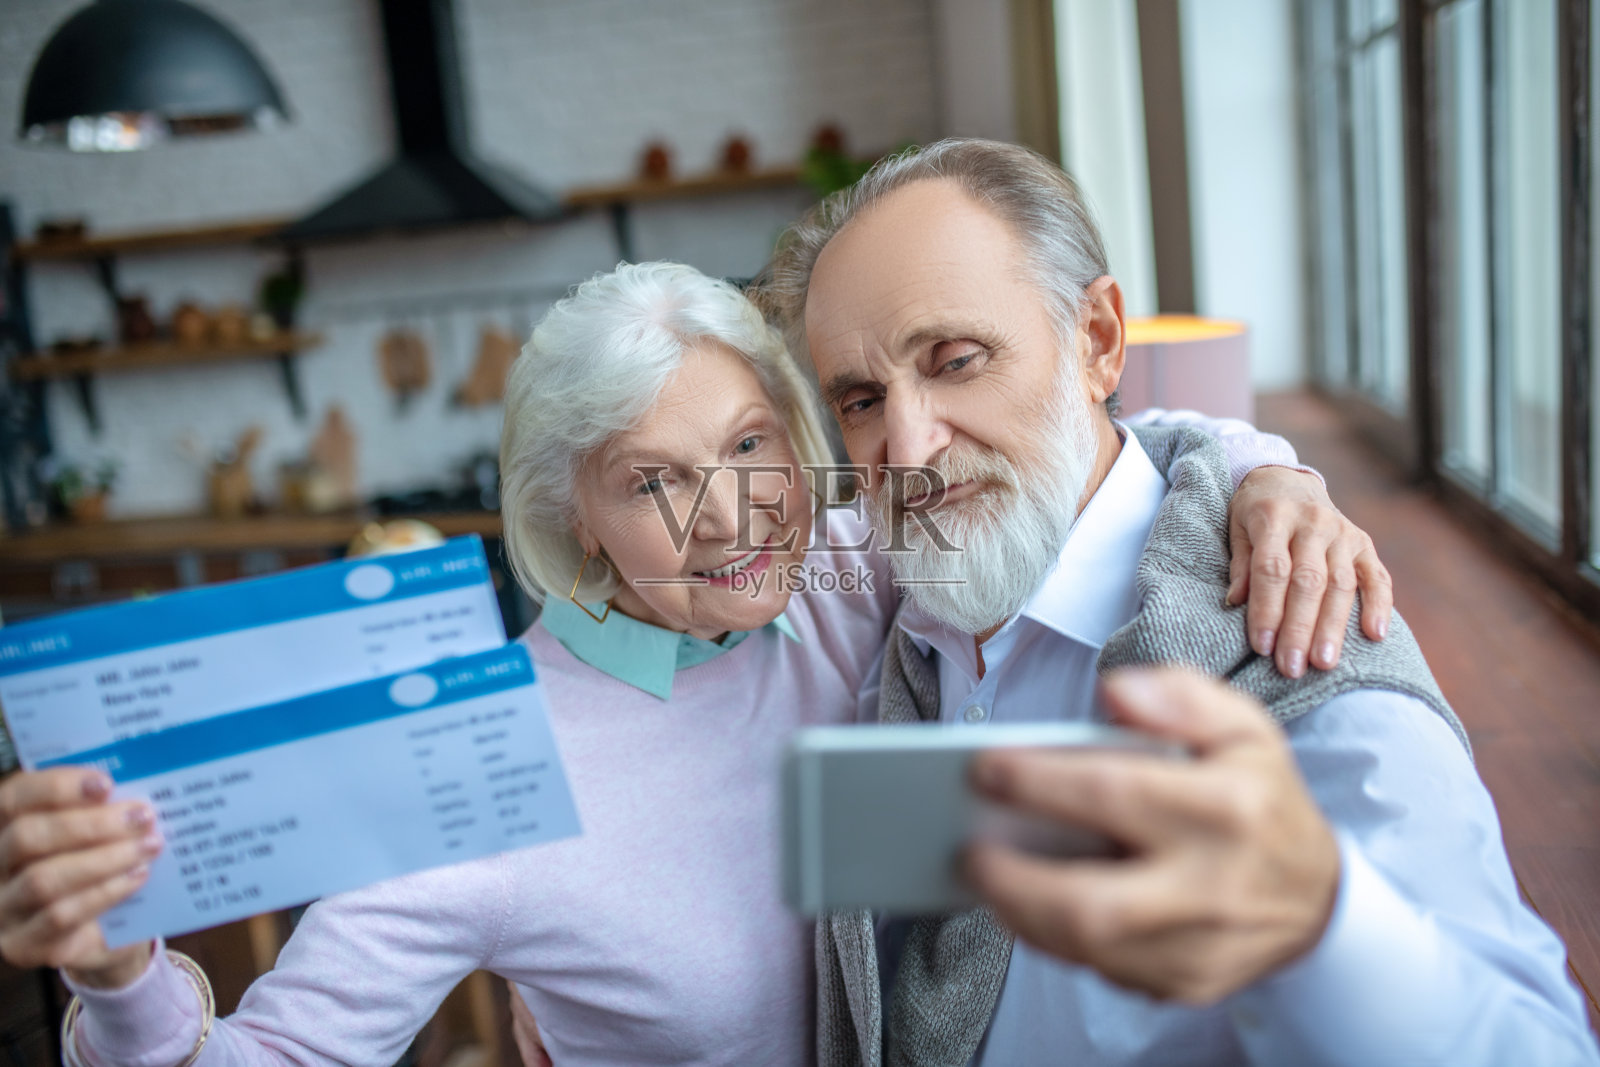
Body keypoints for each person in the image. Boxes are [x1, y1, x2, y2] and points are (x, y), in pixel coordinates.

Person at [0, 262, 1379, 1067]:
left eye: (747, 446)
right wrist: (119, 979)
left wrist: (1270, 477)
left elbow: (1097, 463)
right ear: (571, 520)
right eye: (651, 480)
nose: (727, 516)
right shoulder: (487, 762)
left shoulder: (850, 564)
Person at [759, 137, 1600, 1066]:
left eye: (957, 360)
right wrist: (1261, 463)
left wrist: (1319, 924)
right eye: (863, 399)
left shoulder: (1295, 640)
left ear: (1099, 342)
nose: (909, 450)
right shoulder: (895, 598)